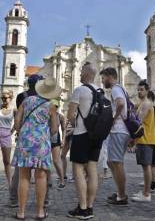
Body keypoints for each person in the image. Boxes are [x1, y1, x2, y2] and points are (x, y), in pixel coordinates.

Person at [11, 77, 61, 220]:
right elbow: (54, 129)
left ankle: (21, 212)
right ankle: (40, 212)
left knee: (23, 177)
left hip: (25, 142)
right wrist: (43, 133)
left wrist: (23, 131)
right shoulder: (51, 105)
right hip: (41, 143)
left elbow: (17, 122)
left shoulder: (26, 101)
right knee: (41, 177)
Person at [66, 62, 101, 219]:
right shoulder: (101, 92)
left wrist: (74, 125)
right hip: (96, 137)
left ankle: (82, 207)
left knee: (78, 170)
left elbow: (70, 115)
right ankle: (90, 207)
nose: (79, 74)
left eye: (81, 72)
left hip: (81, 134)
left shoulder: (80, 90)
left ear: (87, 74)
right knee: (92, 171)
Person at [9, 74, 44, 207]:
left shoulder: (21, 97)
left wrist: (19, 131)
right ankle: (44, 203)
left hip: (25, 138)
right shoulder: (46, 100)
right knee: (42, 173)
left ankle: (14, 199)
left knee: (21, 172)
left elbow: (18, 118)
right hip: (41, 139)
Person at [99, 67, 130, 206]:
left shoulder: (116, 88)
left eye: (103, 78)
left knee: (117, 163)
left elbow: (121, 104)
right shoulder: (121, 89)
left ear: (110, 76)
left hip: (118, 130)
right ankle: (119, 193)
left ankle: (122, 196)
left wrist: (113, 118)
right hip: (120, 130)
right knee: (112, 162)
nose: (102, 81)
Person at [131, 81, 155, 202]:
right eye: (138, 89)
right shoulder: (142, 104)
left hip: (146, 138)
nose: (139, 91)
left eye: (141, 89)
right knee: (145, 167)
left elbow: (138, 121)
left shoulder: (146, 104)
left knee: (147, 167)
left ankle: (146, 194)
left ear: (147, 91)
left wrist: (131, 139)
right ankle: (146, 192)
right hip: (143, 139)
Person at [49, 99, 66, 190]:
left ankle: (62, 180)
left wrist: (63, 140)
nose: (53, 108)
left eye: (55, 106)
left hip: (55, 140)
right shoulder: (46, 115)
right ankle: (49, 180)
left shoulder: (60, 116)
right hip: (46, 139)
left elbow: (64, 129)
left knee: (56, 161)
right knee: (47, 161)